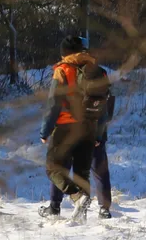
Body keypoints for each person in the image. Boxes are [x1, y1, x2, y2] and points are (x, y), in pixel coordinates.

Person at [39, 34, 111, 221]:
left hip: (65, 127)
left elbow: (53, 103)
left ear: (65, 53)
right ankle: (81, 215)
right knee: (82, 172)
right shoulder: (99, 72)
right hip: (89, 127)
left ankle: (74, 198)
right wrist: (99, 134)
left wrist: (45, 130)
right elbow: (103, 106)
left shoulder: (62, 70)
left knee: (54, 168)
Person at [44, 75, 115, 219]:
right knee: (97, 170)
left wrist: (47, 130)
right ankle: (103, 209)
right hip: (95, 134)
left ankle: (55, 206)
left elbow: (55, 106)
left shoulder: (68, 77)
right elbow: (107, 113)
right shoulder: (99, 78)